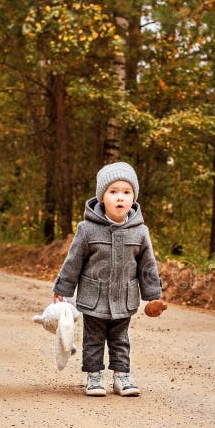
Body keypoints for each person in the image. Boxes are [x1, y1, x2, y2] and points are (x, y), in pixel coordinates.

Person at [52, 161, 167, 397]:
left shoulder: (140, 231)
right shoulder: (87, 229)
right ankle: (94, 377)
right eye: (113, 192)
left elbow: (147, 266)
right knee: (93, 340)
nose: (120, 198)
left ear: (133, 197)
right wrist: (62, 288)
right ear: (101, 197)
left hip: (124, 298)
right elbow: (73, 262)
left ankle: (121, 377)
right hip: (93, 298)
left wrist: (153, 296)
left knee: (120, 340)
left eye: (126, 192)